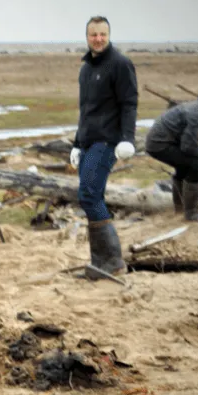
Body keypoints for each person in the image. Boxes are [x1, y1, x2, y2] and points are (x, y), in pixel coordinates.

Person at [68, 15, 138, 280]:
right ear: (87, 37)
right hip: (87, 141)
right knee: (89, 197)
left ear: (109, 36)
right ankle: (100, 263)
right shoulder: (85, 69)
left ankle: (113, 262)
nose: (98, 39)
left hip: (107, 141)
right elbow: (85, 111)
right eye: (93, 35)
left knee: (89, 195)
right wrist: (76, 144)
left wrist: (127, 139)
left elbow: (129, 103)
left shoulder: (120, 64)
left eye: (102, 35)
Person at [146, 93, 198, 222]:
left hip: (165, 142)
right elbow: (188, 146)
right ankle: (191, 214)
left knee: (184, 167)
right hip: (159, 144)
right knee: (194, 166)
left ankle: (180, 209)